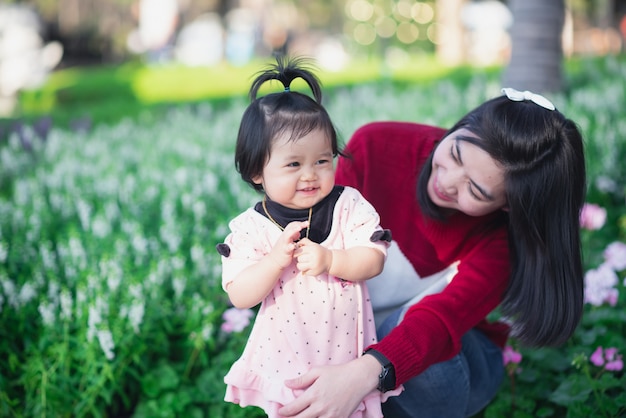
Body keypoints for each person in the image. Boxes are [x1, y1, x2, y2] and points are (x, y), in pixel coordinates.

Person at [277, 88, 586, 417]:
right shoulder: (377, 147)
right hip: (351, 340)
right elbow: (318, 248)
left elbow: (440, 320)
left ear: (508, 206)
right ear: (462, 126)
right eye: (455, 154)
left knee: (404, 325)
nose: (447, 181)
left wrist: (358, 376)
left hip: (448, 366)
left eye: (476, 190)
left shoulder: (501, 240)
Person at [216, 56, 402, 418]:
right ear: (257, 172)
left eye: (322, 160)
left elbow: (374, 257)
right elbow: (240, 294)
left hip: (347, 359)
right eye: (293, 164)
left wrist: (332, 260)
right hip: (285, 362)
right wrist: (274, 261)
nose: (310, 175)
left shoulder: (348, 205)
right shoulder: (251, 227)